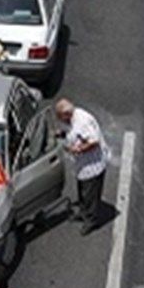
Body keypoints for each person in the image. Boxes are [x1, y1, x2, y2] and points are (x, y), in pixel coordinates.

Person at [55, 98, 109, 236]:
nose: (60, 121)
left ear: (66, 114)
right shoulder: (73, 118)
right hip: (82, 165)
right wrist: (62, 134)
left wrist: (78, 150)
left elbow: (94, 141)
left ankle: (91, 220)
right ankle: (83, 212)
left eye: (60, 117)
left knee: (90, 194)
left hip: (92, 165)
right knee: (82, 191)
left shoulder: (82, 121)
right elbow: (73, 132)